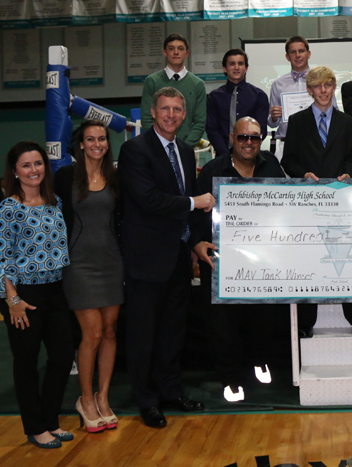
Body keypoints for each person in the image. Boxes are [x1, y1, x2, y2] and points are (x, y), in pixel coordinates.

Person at [120, 87, 217, 428]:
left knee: (172, 333)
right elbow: (149, 200)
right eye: (166, 109)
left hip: (177, 257)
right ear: (153, 111)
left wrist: (194, 243)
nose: (172, 115)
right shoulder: (134, 150)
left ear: (185, 113)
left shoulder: (187, 151)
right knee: (143, 335)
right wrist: (196, 203)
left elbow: (184, 206)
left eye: (177, 109)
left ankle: (171, 391)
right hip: (146, 261)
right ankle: (147, 401)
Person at [191, 117, 286, 402]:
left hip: (263, 258)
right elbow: (194, 211)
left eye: (254, 138)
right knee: (223, 325)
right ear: (232, 138)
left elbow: (286, 205)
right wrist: (196, 243)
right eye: (243, 137)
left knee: (262, 319)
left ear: (261, 140)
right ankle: (231, 378)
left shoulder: (272, 167)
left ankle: (259, 361)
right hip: (221, 259)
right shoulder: (212, 170)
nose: (248, 143)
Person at [0, 141, 74, 448]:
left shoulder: (55, 202)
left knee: (63, 357)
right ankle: (35, 426)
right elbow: (0, 258)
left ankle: (50, 420)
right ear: (15, 171)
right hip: (22, 295)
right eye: (26, 165)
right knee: (26, 363)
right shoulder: (8, 208)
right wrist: (12, 300)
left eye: (38, 163)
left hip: (55, 290)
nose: (33, 170)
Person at [54, 120, 122, 433]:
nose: (97, 144)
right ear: (80, 143)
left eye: (102, 139)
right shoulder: (66, 176)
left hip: (111, 262)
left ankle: (103, 397)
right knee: (92, 332)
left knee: (109, 331)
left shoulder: (115, 176)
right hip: (78, 265)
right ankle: (85, 399)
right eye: (91, 139)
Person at [280, 66, 352, 338]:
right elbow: (287, 159)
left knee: (347, 260)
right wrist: (303, 174)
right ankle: (305, 322)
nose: (323, 91)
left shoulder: (347, 122)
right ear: (310, 90)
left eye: (328, 85)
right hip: (309, 202)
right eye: (318, 86)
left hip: (341, 201)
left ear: (333, 87)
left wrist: (348, 172)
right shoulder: (297, 120)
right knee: (310, 261)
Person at [267, 36, 337, 144]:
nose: (298, 55)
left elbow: (334, 111)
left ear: (308, 54)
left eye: (301, 51)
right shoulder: (278, 84)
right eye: (293, 52)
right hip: (286, 142)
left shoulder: (322, 80)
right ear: (287, 56)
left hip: (317, 141)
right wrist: (274, 117)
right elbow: (272, 124)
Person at [140, 34, 206, 147]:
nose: (176, 52)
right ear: (165, 52)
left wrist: (185, 147)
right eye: (171, 49)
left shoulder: (198, 84)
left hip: (187, 148)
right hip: (157, 148)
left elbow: (200, 122)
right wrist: (160, 144)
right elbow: (147, 118)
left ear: (187, 53)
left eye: (180, 49)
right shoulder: (152, 81)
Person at [206, 48, 269, 158]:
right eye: (232, 64)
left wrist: (246, 149)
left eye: (240, 64)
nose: (236, 67)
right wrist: (226, 155)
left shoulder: (260, 96)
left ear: (246, 68)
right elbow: (212, 129)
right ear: (225, 69)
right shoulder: (214, 97)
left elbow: (261, 129)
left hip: (251, 157)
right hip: (222, 157)